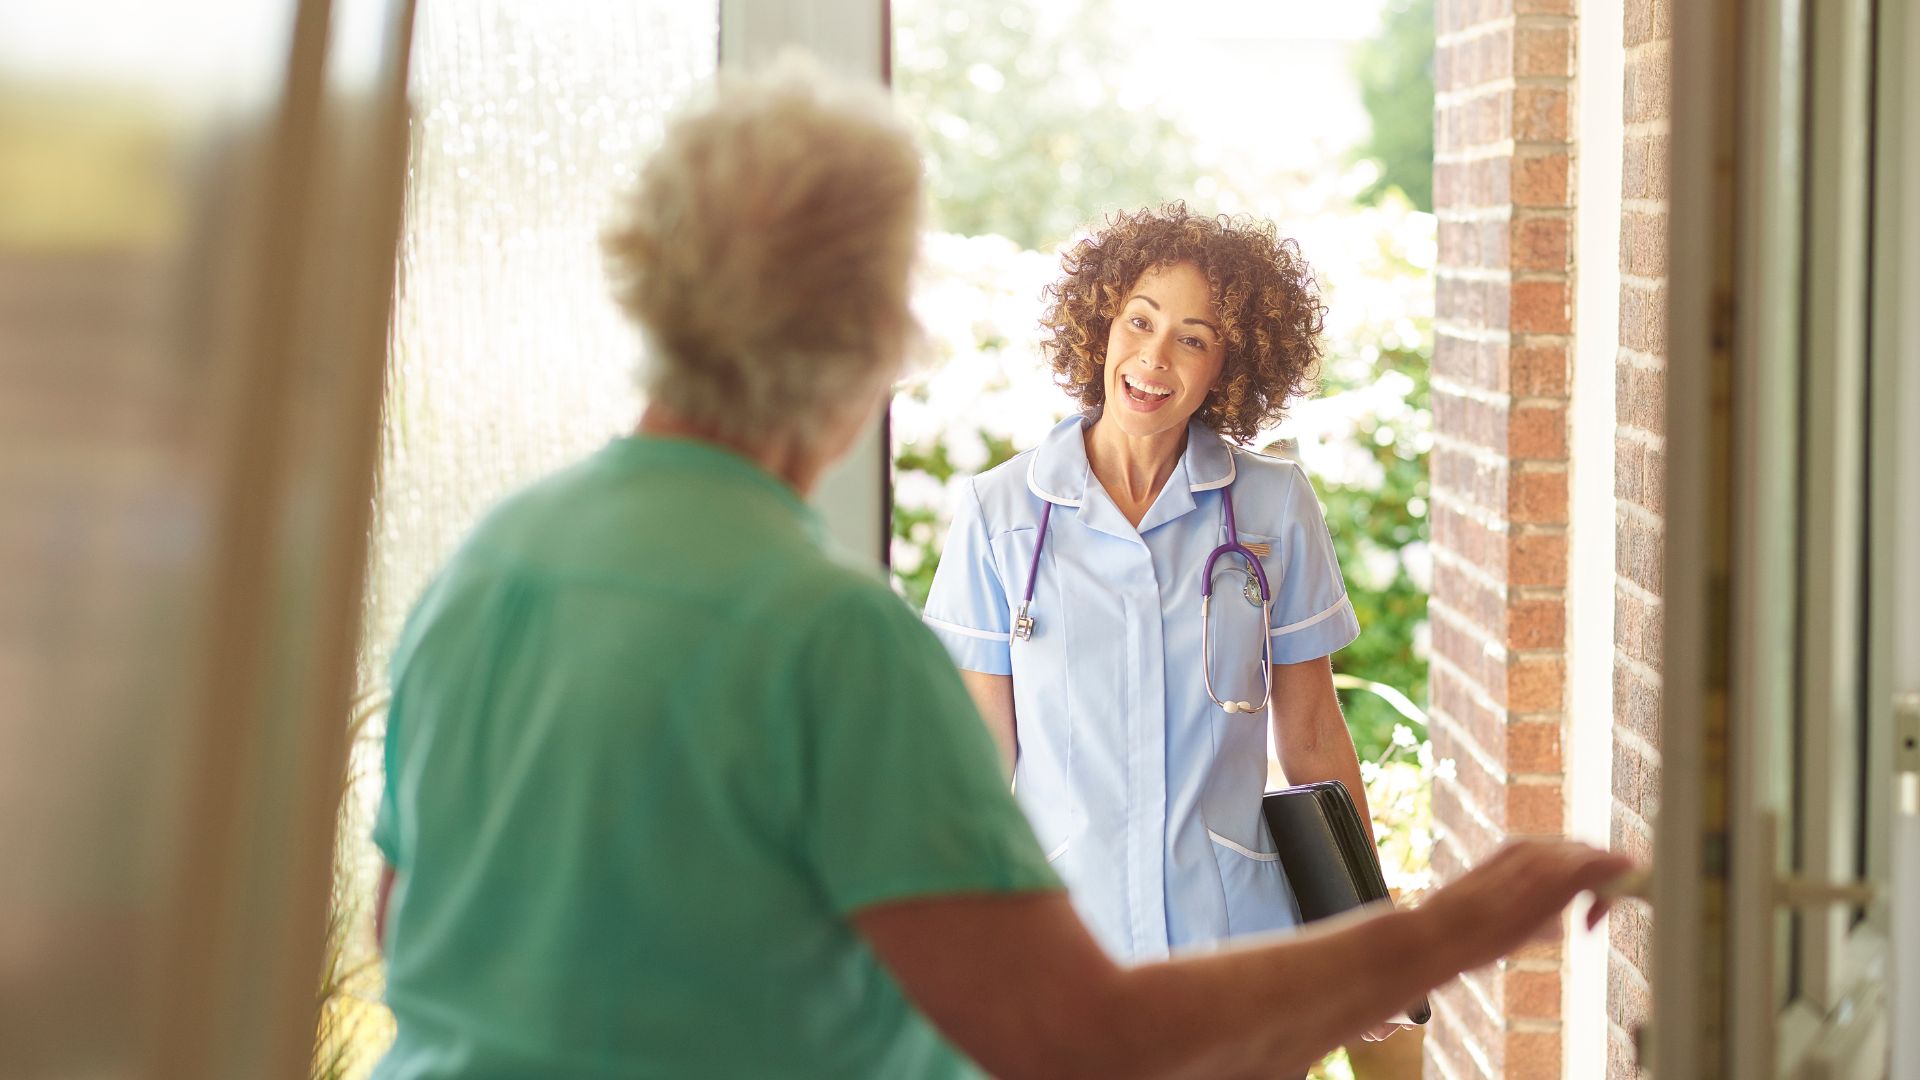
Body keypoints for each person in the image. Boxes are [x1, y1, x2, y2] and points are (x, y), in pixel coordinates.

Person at [369, 60, 1632, 1079]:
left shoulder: (495, 565)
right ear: (872, 341)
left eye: (1193, 338)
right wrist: (1447, 932)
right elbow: (1070, 1032)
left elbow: (404, 925)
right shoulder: (828, 635)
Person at [923, 207, 1379, 969]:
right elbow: (976, 758)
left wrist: (1371, 938)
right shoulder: (1001, 515)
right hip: (1065, 949)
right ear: (1101, 325)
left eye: (1193, 339)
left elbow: (1311, 736)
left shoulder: (1272, 506)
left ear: (1228, 367)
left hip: (1237, 938)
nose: (1154, 357)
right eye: (1139, 321)